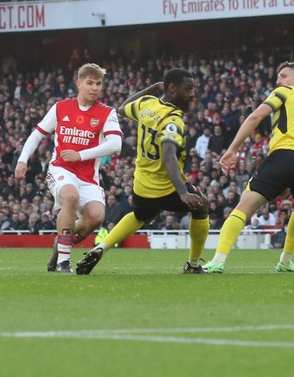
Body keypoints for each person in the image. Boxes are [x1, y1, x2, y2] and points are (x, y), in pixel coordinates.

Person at [75, 68, 209, 275]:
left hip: (141, 185)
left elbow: (122, 108)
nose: (192, 94)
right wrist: (182, 192)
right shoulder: (172, 120)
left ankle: (101, 247)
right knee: (202, 206)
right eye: (188, 89)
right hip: (166, 186)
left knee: (141, 215)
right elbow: (169, 156)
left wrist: (153, 88)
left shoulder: (147, 104)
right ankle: (193, 265)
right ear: (172, 89)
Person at [203, 62, 294, 273]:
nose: (278, 81)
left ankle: (218, 260)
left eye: (283, 76)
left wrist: (232, 150)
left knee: (245, 205)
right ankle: (286, 262)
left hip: (285, 155)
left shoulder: (286, 92)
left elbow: (255, 116)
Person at [15, 63, 123, 273]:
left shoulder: (107, 113)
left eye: (98, 83)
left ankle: (61, 244)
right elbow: (37, 134)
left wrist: (80, 155)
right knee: (71, 197)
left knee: (95, 217)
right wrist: (22, 160)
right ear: (79, 84)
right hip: (61, 168)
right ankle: (64, 261)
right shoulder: (60, 107)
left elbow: (115, 145)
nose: (95, 88)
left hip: (89, 176)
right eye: (90, 83)